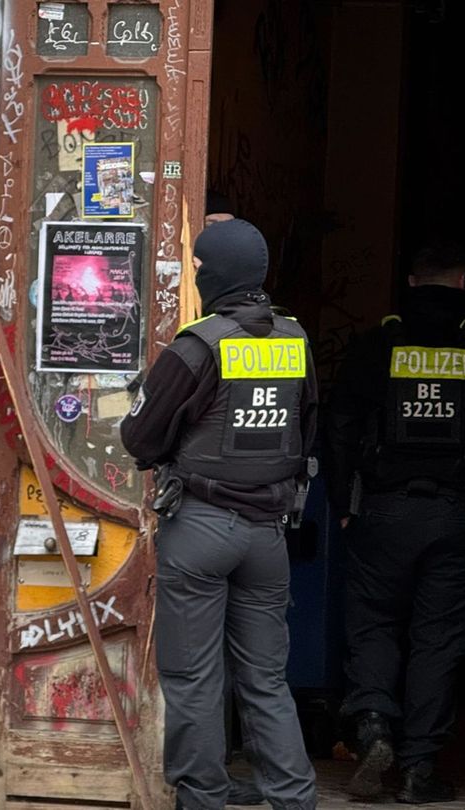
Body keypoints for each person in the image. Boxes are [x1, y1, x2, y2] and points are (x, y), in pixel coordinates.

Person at [121, 219, 319, 810]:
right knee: (265, 680)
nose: (197, 274)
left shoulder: (197, 345)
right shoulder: (295, 340)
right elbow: (307, 432)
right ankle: (294, 797)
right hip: (267, 536)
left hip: (202, 529)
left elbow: (141, 437)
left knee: (194, 679)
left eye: (200, 266)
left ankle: (202, 798)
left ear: (217, 273)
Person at [326, 242, 465, 803]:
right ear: (462, 282)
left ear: (410, 279)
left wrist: (344, 505)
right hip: (455, 517)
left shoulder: (376, 345)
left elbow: (339, 427)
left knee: (374, 626)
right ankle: (418, 769)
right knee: (438, 641)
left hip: (381, 513)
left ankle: (375, 727)